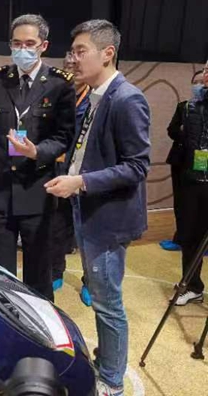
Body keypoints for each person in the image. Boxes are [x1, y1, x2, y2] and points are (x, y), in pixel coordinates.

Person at [45, 20, 151, 396]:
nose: (73, 59)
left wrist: (81, 182)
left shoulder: (126, 99)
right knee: (104, 301)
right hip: (87, 209)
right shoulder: (94, 96)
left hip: (108, 218)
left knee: (108, 305)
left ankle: (111, 381)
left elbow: (138, 166)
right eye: (72, 51)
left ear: (107, 53)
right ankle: (106, 361)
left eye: (81, 51)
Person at [0, 14, 75, 301]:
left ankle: (39, 321)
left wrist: (36, 151)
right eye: (16, 43)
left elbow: (64, 136)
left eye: (29, 43)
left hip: (37, 189)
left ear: (43, 46)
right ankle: (6, 319)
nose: (22, 49)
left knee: (39, 272)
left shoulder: (59, 84)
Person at [51, 52, 93, 306]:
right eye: (67, 66)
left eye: (76, 66)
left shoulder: (95, 99)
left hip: (85, 173)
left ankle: (90, 281)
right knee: (57, 225)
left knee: (86, 230)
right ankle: (56, 271)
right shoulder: (55, 94)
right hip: (56, 169)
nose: (72, 70)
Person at [169, 61, 208, 306]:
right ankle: (192, 285)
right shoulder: (190, 107)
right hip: (195, 181)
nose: (206, 75)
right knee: (191, 235)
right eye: (205, 70)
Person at [160, 69, 205, 252]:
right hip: (181, 160)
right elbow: (172, 130)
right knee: (182, 201)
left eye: (203, 81)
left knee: (202, 203)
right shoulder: (184, 107)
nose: (199, 85)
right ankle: (181, 238)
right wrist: (187, 136)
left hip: (203, 161)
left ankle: (202, 242)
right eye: (196, 82)